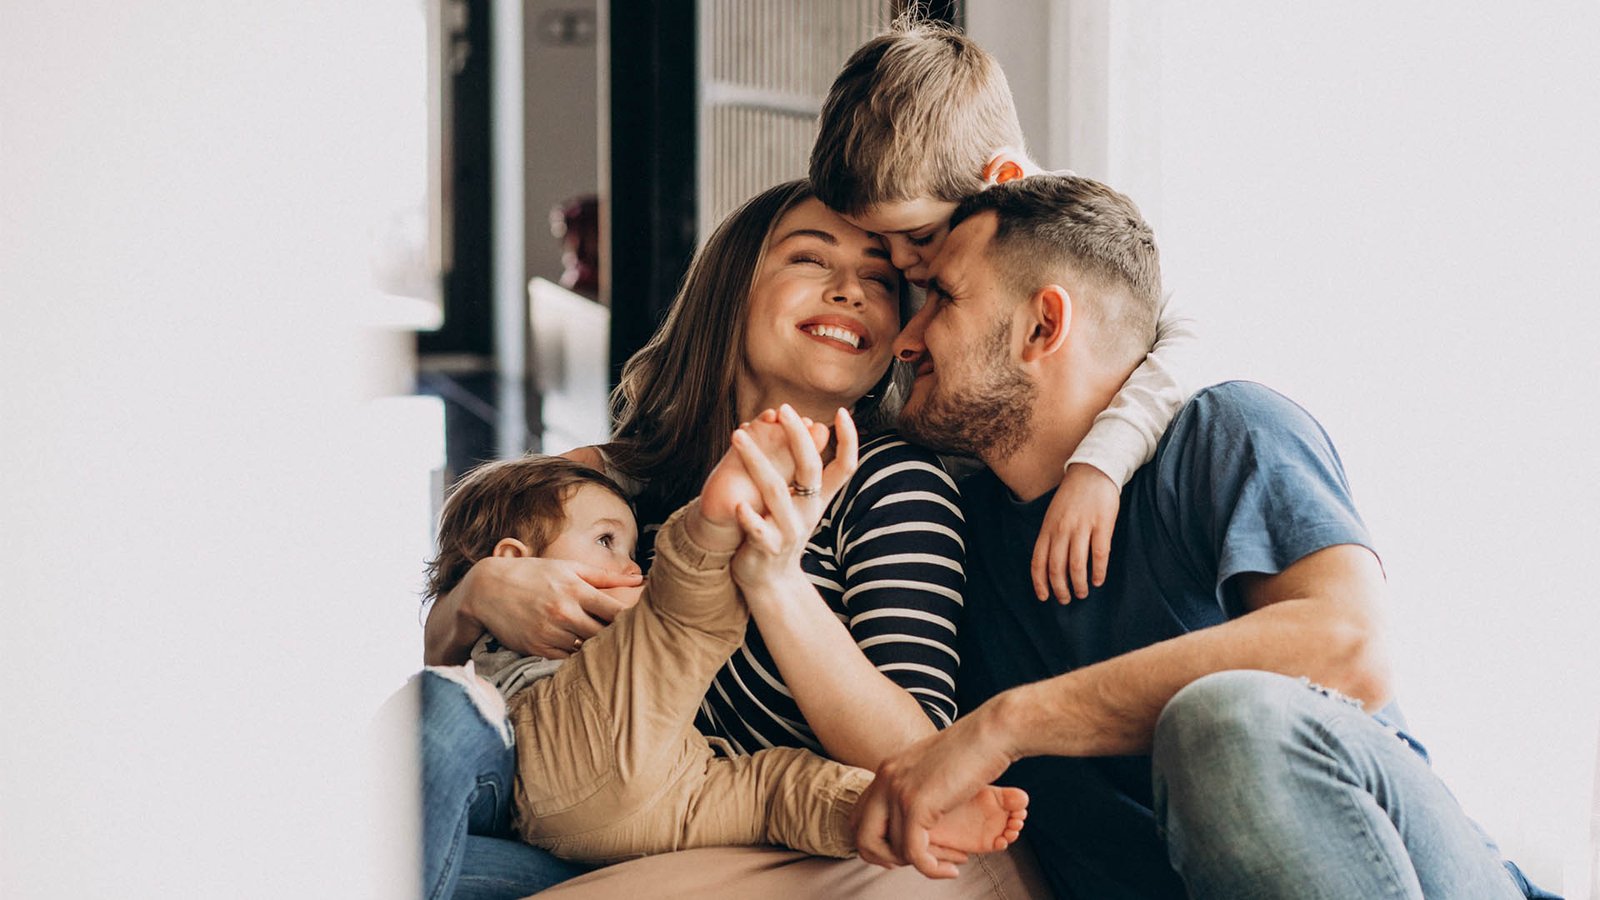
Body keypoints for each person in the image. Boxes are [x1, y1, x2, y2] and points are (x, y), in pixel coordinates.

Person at [847, 174, 1557, 899]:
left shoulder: (1221, 435)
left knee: (1222, 721)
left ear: (1043, 327)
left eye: (943, 298)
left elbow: (1349, 645)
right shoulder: (946, 538)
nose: (905, 338)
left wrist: (1010, 723)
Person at [417, 179, 1053, 900]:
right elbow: (460, 682)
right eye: (812, 261)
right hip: (565, 825)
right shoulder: (623, 476)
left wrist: (774, 580)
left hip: (733, 838)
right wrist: (475, 597)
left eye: (878, 279)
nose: (850, 290)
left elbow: (915, 752)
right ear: (733, 288)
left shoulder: (892, 482)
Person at [422, 447, 1028, 865]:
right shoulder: (640, 472)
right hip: (561, 760)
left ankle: (896, 816)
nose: (632, 566)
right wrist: (478, 592)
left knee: (777, 792)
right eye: (608, 542)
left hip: (675, 787)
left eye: (633, 547)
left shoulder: (896, 481)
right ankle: (708, 537)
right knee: (680, 618)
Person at [807, 16, 1201, 607]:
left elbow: (1190, 340)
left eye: (915, 234)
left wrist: (1099, 464)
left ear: (1004, 180)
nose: (903, 264)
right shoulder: (916, 245)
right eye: (879, 242)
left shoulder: (1087, 242)